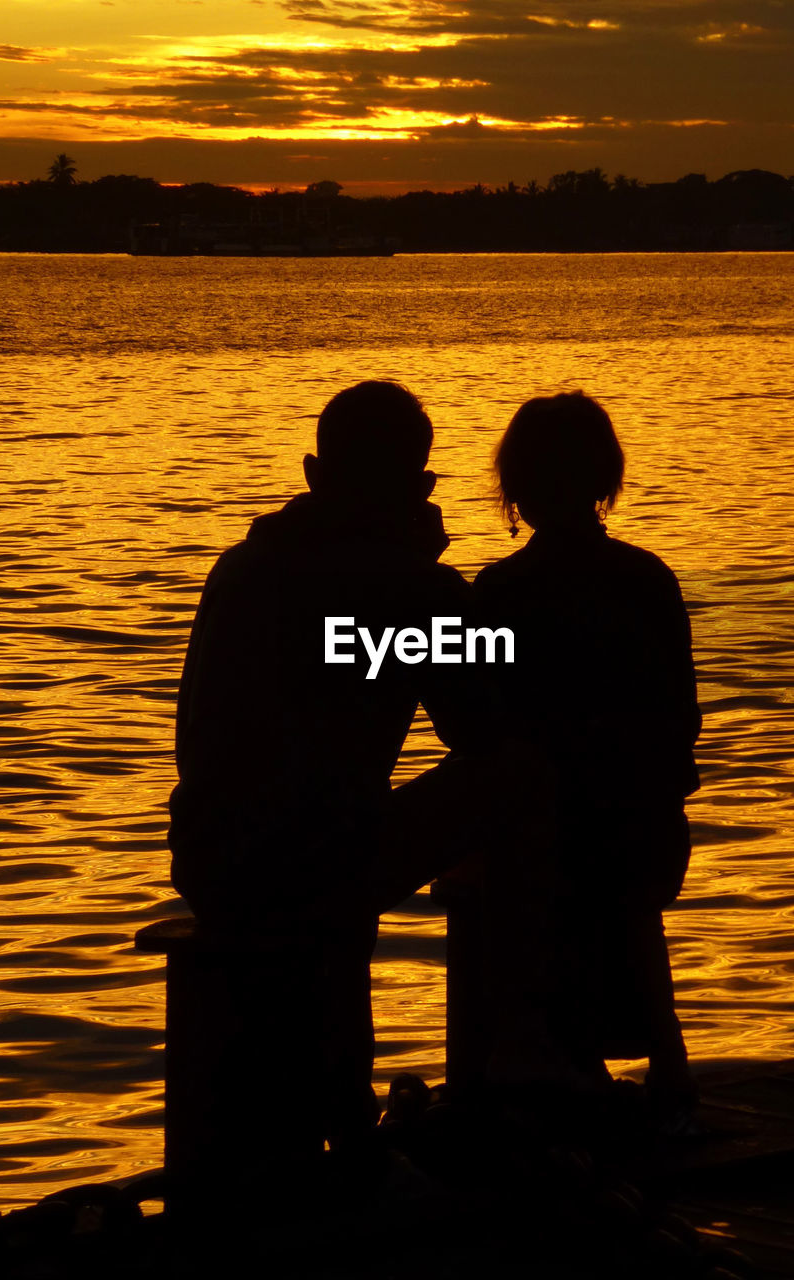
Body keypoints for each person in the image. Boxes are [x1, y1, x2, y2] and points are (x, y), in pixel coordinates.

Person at [167, 380, 507, 1202]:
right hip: (314, 859)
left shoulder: (245, 565)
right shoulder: (405, 586)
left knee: (336, 840)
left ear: (314, 473)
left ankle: (333, 1123)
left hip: (209, 858)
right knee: (512, 774)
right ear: (419, 487)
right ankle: (516, 1062)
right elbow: (481, 720)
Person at [473, 391, 701, 1125]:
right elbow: (679, 719)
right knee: (629, 903)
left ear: (517, 489)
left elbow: (476, 722)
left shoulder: (502, 592)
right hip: (645, 827)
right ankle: (664, 1060)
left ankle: (554, 1062)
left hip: (557, 836)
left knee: (527, 851)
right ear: (604, 481)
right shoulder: (646, 579)